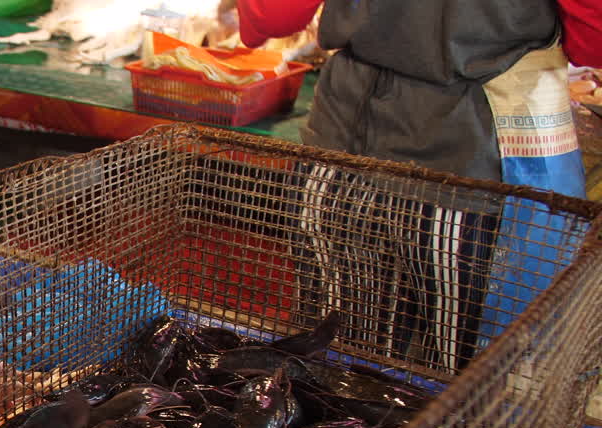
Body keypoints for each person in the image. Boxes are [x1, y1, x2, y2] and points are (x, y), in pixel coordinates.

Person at [229, 0, 602, 371]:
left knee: (339, 367)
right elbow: (594, 42)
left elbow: (273, 16)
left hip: (341, 155)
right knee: (478, 388)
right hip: (478, 171)